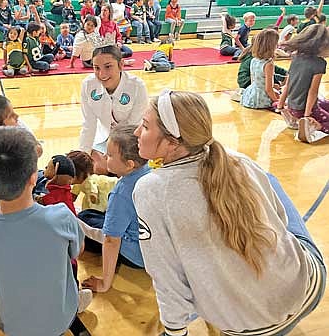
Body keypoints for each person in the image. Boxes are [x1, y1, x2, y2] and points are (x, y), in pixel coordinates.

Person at [133, 89, 326, 336]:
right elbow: (280, 217)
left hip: (249, 329)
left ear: (172, 142)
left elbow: (165, 275)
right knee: (269, 182)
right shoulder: (236, 160)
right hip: (309, 287)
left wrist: (175, 331)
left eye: (145, 126)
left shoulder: (150, 190)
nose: (137, 132)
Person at [0, 127, 85, 335]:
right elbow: (78, 250)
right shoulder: (62, 216)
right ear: (32, 178)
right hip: (61, 320)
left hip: (15, 328)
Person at [80, 124, 149, 293]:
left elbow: (111, 241)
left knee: (83, 218)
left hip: (136, 256)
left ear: (129, 164)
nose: (104, 156)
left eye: (110, 155)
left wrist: (104, 284)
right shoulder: (150, 172)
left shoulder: (121, 194)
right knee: (93, 215)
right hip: (151, 250)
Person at [79, 45, 148, 161]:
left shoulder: (137, 86)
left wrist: (113, 155)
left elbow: (133, 127)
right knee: (94, 166)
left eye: (108, 67)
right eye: (96, 68)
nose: (102, 74)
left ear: (121, 65)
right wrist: (82, 155)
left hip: (132, 140)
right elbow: (88, 124)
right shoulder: (88, 85)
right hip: (103, 139)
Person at [278, 24, 329, 143]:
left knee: (325, 103)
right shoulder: (319, 63)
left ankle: (297, 120)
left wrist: (281, 106)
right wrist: (307, 116)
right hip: (305, 110)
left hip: (292, 107)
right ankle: (315, 126)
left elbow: (288, 84)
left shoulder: (296, 57)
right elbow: (313, 91)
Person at [240, 29, 279, 110]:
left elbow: (253, 80)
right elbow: (268, 89)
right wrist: (277, 101)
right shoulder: (268, 64)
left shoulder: (254, 60)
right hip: (261, 99)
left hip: (251, 94)